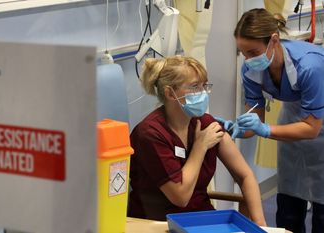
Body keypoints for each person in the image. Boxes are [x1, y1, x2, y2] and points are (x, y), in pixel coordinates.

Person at [127, 55, 266, 226]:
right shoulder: (150, 134)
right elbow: (180, 197)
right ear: (170, 93)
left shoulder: (205, 123)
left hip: (202, 220)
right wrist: (200, 146)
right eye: (194, 87)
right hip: (158, 224)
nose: (203, 93)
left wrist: (261, 226)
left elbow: (245, 176)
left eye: (204, 86)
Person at [219, 8, 324, 233]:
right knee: (288, 205)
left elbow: (312, 128)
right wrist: (234, 128)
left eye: (252, 51)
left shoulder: (309, 65)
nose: (248, 60)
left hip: (317, 123)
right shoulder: (252, 71)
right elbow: (254, 121)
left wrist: (266, 130)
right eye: (243, 53)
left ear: (273, 40)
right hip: (294, 119)